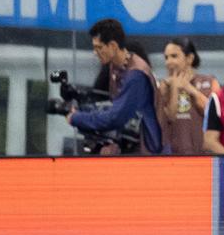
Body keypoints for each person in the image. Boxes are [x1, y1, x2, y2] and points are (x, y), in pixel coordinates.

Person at [67, 18, 164, 154]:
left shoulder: (136, 75)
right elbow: (115, 108)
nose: (95, 53)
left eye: (99, 47)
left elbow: (115, 118)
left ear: (113, 45)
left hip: (146, 155)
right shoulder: (115, 66)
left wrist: (77, 117)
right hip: (130, 148)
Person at [158, 38, 217, 155]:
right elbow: (169, 117)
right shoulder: (163, 86)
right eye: (166, 57)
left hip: (204, 157)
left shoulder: (209, 82)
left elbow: (214, 115)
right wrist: (173, 88)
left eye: (174, 56)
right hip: (172, 158)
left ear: (189, 58)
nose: (168, 62)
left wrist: (190, 89)